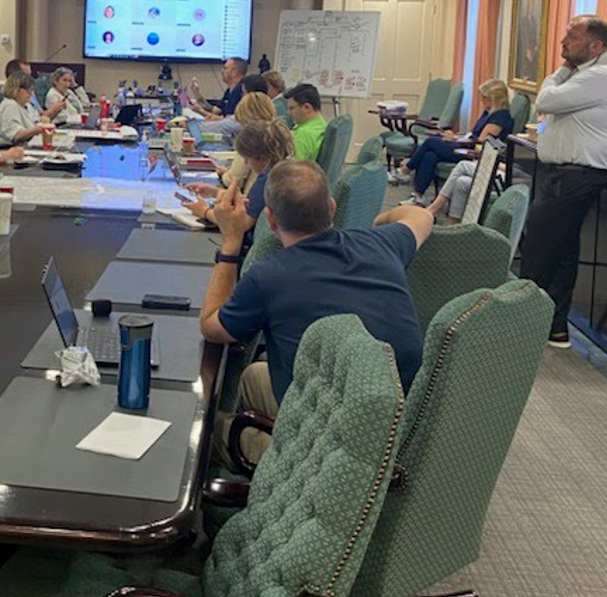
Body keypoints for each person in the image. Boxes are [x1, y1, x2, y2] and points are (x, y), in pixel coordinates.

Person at [200, 161, 432, 467]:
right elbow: (422, 215)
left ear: (269, 220)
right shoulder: (382, 244)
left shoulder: (267, 277)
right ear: (332, 207)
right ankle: (272, 441)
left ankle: (275, 469)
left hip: (334, 460)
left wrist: (230, 242)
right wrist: (381, 223)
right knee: (253, 376)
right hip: (397, 426)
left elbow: (212, 326)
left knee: (203, 431)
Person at [519, 15, 607, 348]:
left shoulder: (602, 76)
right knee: (563, 252)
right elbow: (547, 119)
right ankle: (555, 328)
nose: (563, 42)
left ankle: (519, 326)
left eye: (572, 37)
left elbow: (546, 101)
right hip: (559, 173)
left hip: (576, 176)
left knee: (537, 251)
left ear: (595, 46)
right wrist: (538, 135)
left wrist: (562, 71)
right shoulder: (582, 74)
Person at [390, 79, 514, 202]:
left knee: (430, 142)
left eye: (485, 98)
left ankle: (405, 170)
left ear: (494, 99)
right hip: (467, 145)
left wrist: (455, 138)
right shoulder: (489, 113)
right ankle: (418, 196)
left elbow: (481, 142)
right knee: (430, 155)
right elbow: (473, 134)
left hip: (472, 153)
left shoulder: (501, 117)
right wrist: (456, 136)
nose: (482, 101)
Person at [0, 72, 46, 147]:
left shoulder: (27, 105)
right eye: (28, 90)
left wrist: (43, 121)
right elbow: (16, 135)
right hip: (4, 148)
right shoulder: (10, 105)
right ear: (16, 89)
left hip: (21, 146)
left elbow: (35, 121)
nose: (31, 93)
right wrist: (38, 129)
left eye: (32, 89)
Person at [284, 83, 327, 160]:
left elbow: (292, 170)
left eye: (292, 108)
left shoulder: (302, 134)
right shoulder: (322, 125)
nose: (289, 113)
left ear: (307, 107)